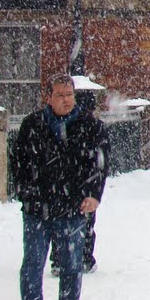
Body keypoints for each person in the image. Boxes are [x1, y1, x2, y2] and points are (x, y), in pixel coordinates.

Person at [11, 73, 110, 300]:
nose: (66, 100)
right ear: (48, 97)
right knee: (32, 265)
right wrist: (25, 192)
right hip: (37, 208)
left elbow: (99, 164)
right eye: (61, 95)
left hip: (71, 207)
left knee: (70, 265)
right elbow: (18, 162)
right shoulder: (33, 125)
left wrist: (93, 194)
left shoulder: (89, 126)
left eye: (70, 95)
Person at [49, 89, 105, 277]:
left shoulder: (65, 126)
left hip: (66, 184)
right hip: (84, 184)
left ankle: (59, 259)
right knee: (86, 223)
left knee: (61, 223)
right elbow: (100, 160)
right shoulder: (92, 126)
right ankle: (84, 258)